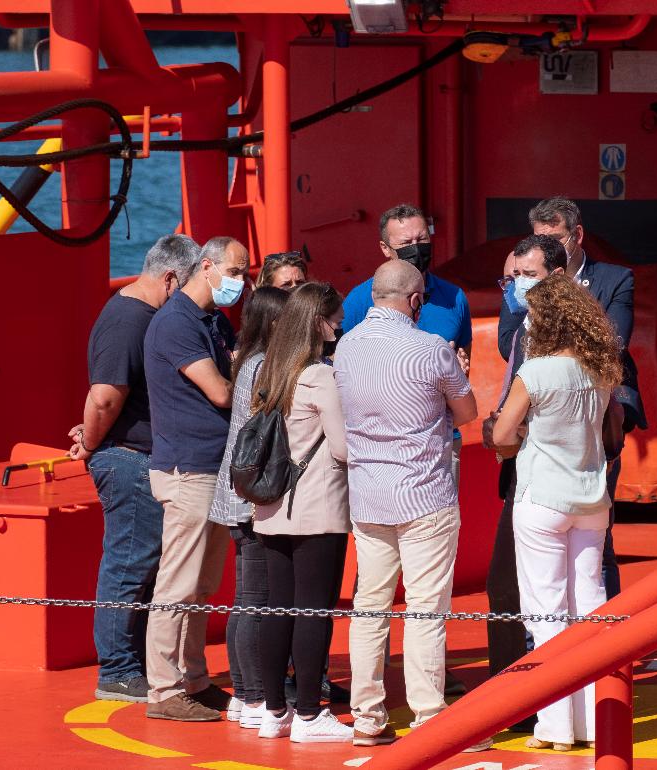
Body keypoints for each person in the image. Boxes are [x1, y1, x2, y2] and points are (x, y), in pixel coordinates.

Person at [333, 260, 483, 750]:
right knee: (425, 609)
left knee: (369, 607)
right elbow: (466, 413)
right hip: (425, 494)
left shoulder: (345, 349)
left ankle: (368, 716)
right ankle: (428, 713)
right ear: (416, 301)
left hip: (369, 495)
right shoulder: (432, 349)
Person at [67, 233, 201, 703]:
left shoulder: (139, 316)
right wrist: (92, 442)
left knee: (144, 565)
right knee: (130, 563)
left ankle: (136, 662)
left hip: (140, 455)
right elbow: (104, 397)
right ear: (169, 279)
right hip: (128, 458)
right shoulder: (128, 322)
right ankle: (118, 668)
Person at [492, 274, 622, 752]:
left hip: (542, 498)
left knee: (546, 613)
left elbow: (504, 435)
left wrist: (525, 438)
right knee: (590, 607)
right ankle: (591, 720)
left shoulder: (537, 372)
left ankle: (556, 725)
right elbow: (612, 430)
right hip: (591, 499)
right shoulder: (600, 369)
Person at [499, 196, 646, 602]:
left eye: (554, 238)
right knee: (541, 548)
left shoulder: (614, 279)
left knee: (596, 549)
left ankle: (603, 648)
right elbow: (506, 346)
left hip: (595, 421)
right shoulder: (519, 277)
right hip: (535, 416)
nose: (544, 245)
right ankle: (540, 651)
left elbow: (613, 342)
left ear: (576, 236)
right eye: (538, 238)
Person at [142, 235, 247, 721]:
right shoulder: (176, 324)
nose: (239, 281)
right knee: (177, 584)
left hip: (213, 467)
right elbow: (222, 391)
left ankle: (194, 678)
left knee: (202, 584)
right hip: (189, 469)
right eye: (234, 271)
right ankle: (163, 690)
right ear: (206, 267)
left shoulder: (212, 321)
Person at [248, 282, 353, 742]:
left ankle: (275, 710)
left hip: (272, 508)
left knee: (277, 609)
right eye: (335, 319)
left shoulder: (270, 373)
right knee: (314, 610)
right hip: (317, 507)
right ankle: (310, 713)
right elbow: (345, 447)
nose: (340, 325)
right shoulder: (321, 376)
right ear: (318, 322)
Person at [482, 233, 566, 683]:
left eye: (527, 276)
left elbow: (514, 424)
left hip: (539, 472)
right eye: (511, 278)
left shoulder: (548, 339)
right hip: (557, 474)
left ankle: (518, 689)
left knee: (515, 585)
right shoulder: (525, 329)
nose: (517, 286)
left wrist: (498, 429)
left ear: (557, 277)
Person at [207, 286, 290, 725]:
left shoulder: (247, 363)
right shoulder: (264, 369)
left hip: (235, 491)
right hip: (251, 498)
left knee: (247, 596)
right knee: (256, 597)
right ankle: (255, 695)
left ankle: (244, 692)